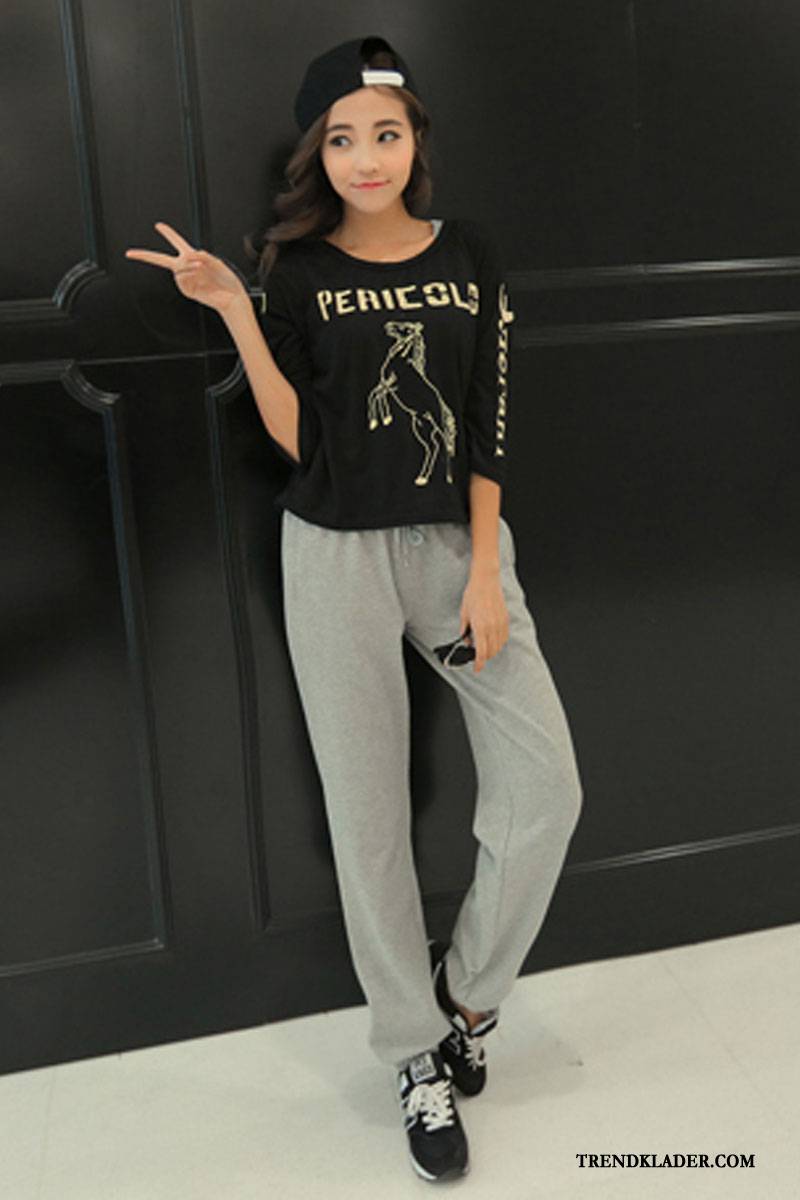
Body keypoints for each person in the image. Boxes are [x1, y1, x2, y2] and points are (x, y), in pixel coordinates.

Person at [125, 33, 583, 1185]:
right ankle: (411, 1050)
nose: (365, 158)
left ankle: (465, 1001)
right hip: (331, 556)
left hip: (454, 550)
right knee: (366, 815)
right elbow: (298, 439)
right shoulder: (295, 271)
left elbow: (487, 413)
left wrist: (484, 572)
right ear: (317, 154)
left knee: (544, 788)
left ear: (415, 139)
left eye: (385, 133)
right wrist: (236, 310)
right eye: (341, 139)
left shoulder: (468, 252)